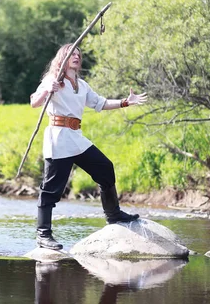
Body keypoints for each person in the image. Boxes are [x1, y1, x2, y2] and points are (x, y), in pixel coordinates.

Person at [30, 43, 147, 250]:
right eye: (71, 54)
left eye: (78, 54)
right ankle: (43, 235)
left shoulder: (81, 85)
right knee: (51, 189)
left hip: (76, 137)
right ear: (62, 59)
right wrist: (48, 89)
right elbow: (34, 102)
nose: (76, 56)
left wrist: (125, 102)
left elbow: (100, 103)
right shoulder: (53, 80)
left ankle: (114, 215)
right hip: (59, 139)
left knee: (105, 168)